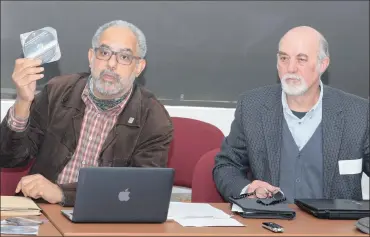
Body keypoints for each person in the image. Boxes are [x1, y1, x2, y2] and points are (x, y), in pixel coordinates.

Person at [0, 20, 173, 206]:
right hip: (42, 211)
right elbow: (9, 159)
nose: (111, 64)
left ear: (138, 67)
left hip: (104, 216)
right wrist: (23, 102)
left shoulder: (154, 118)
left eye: (124, 57)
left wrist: (63, 193)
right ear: (91, 57)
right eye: (104, 53)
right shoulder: (57, 91)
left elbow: (142, 190)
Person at [213, 26, 369, 202]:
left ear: (322, 64)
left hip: (334, 228)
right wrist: (247, 189)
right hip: (268, 223)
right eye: (284, 58)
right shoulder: (252, 107)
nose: (291, 68)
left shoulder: (358, 113)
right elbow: (227, 165)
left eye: (301, 59)